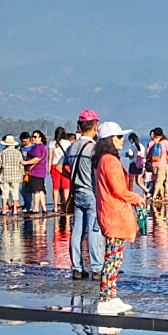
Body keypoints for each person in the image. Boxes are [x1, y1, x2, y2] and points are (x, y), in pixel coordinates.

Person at [93, 121, 145, 314]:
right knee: (113, 259)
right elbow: (119, 190)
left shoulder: (103, 159)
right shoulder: (110, 160)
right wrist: (137, 199)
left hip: (109, 212)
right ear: (109, 139)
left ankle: (111, 296)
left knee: (115, 258)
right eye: (119, 137)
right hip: (114, 214)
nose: (122, 140)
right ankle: (106, 298)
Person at [64, 111, 104, 280]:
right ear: (95, 127)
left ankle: (77, 268)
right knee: (94, 231)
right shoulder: (95, 148)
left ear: (79, 127)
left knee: (77, 231)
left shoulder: (71, 146)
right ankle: (96, 268)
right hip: (91, 193)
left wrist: (73, 177)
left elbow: (59, 168)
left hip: (77, 192)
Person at [0, 135, 26, 216]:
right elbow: (21, 165)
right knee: (15, 193)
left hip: (5, 175)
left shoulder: (2, 153)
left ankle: (4, 210)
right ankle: (15, 210)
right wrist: (22, 175)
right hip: (16, 175)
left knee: (4, 193)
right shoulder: (18, 153)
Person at [26, 131, 51, 214]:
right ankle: (44, 207)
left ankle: (36, 207)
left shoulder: (37, 147)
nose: (33, 138)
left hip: (36, 171)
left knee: (36, 191)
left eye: (35, 137)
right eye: (32, 136)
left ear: (40, 138)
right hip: (41, 172)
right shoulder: (42, 147)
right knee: (40, 190)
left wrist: (25, 163)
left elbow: (37, 158)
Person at [147, 129, 168, 204]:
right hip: (162, 164)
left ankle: (162, 196)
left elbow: (148, 153)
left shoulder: (152, 142)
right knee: (160, 181)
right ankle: (154, 196)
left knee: (158, 180)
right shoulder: (164, 142)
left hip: (153, 163)